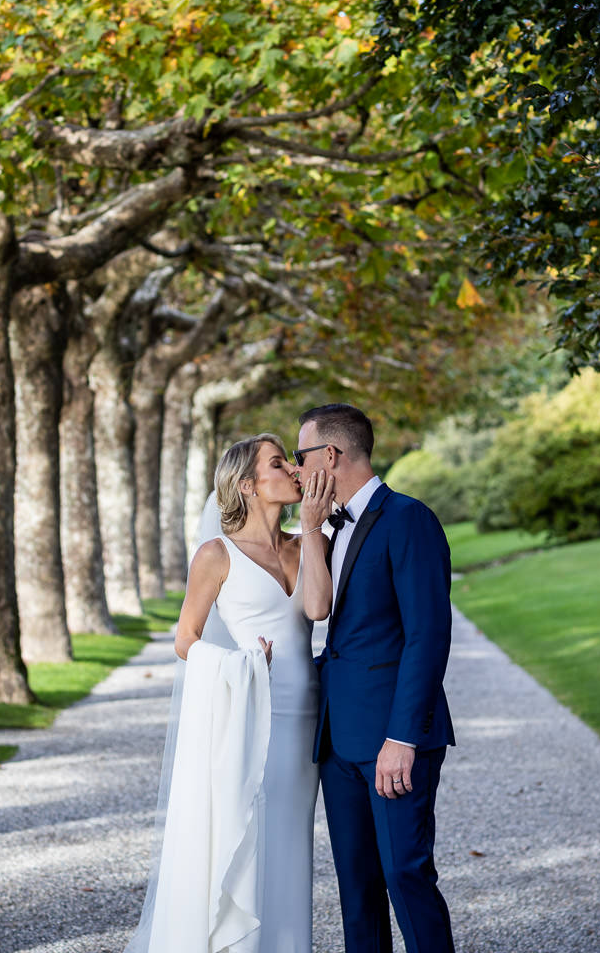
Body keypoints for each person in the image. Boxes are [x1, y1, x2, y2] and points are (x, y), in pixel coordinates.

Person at [126, 433, 333, 953]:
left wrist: (311, 528)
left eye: (289, 459)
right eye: (276, 462)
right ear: (247, 484)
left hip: (305, 718)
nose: (291, 468)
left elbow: (319, 610)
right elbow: (185, 640)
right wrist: (237, 665)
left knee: (290, 842)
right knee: (248, 837)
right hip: (249, 712)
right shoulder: (217, 555)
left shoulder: (309, 542)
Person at [295, 403, 456, 953]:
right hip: (339, 740)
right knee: (356, 890)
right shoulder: (323, 528)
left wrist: (403, 737)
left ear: (331, 455)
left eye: (301, 456)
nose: (296, 470)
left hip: (392, 739)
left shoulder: (409, 519)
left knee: (406, 878)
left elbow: (427, 636)